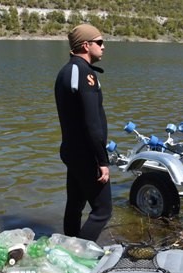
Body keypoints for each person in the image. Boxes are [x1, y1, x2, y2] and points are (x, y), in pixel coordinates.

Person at [54, 23, 112, 242]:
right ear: (86, 45)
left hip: (71, 151)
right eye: (99, 42)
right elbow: (92, 124)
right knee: (102, 211)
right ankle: (79, 254)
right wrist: (102, 160)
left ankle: (68, 247)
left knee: (75, 206)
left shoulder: (65, 71)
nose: (103, 46)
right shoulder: (85, 74)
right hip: (87, 155)